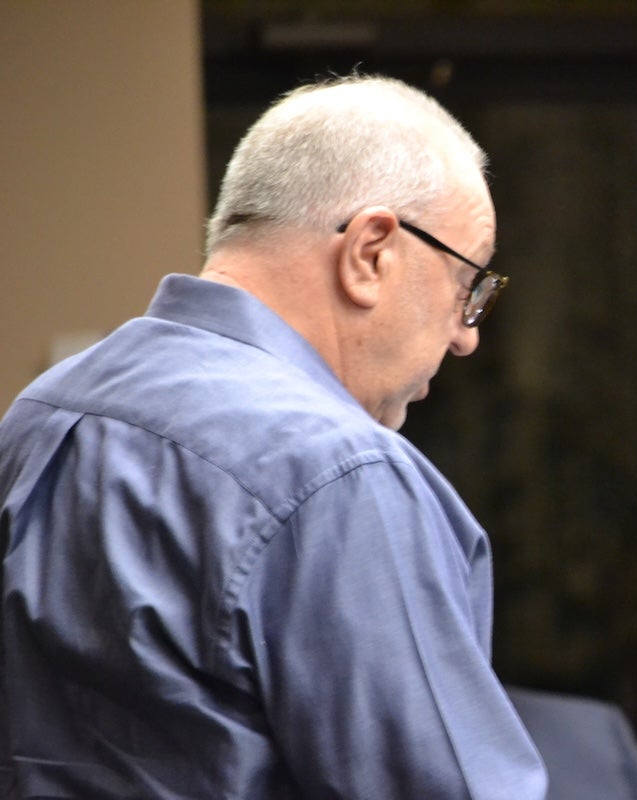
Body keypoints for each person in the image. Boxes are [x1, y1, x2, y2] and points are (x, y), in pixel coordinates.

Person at [0, 75, 546, 799]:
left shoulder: (41, 415)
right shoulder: (341, 476)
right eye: (468, 286)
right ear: (371, 253)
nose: (465, 335)